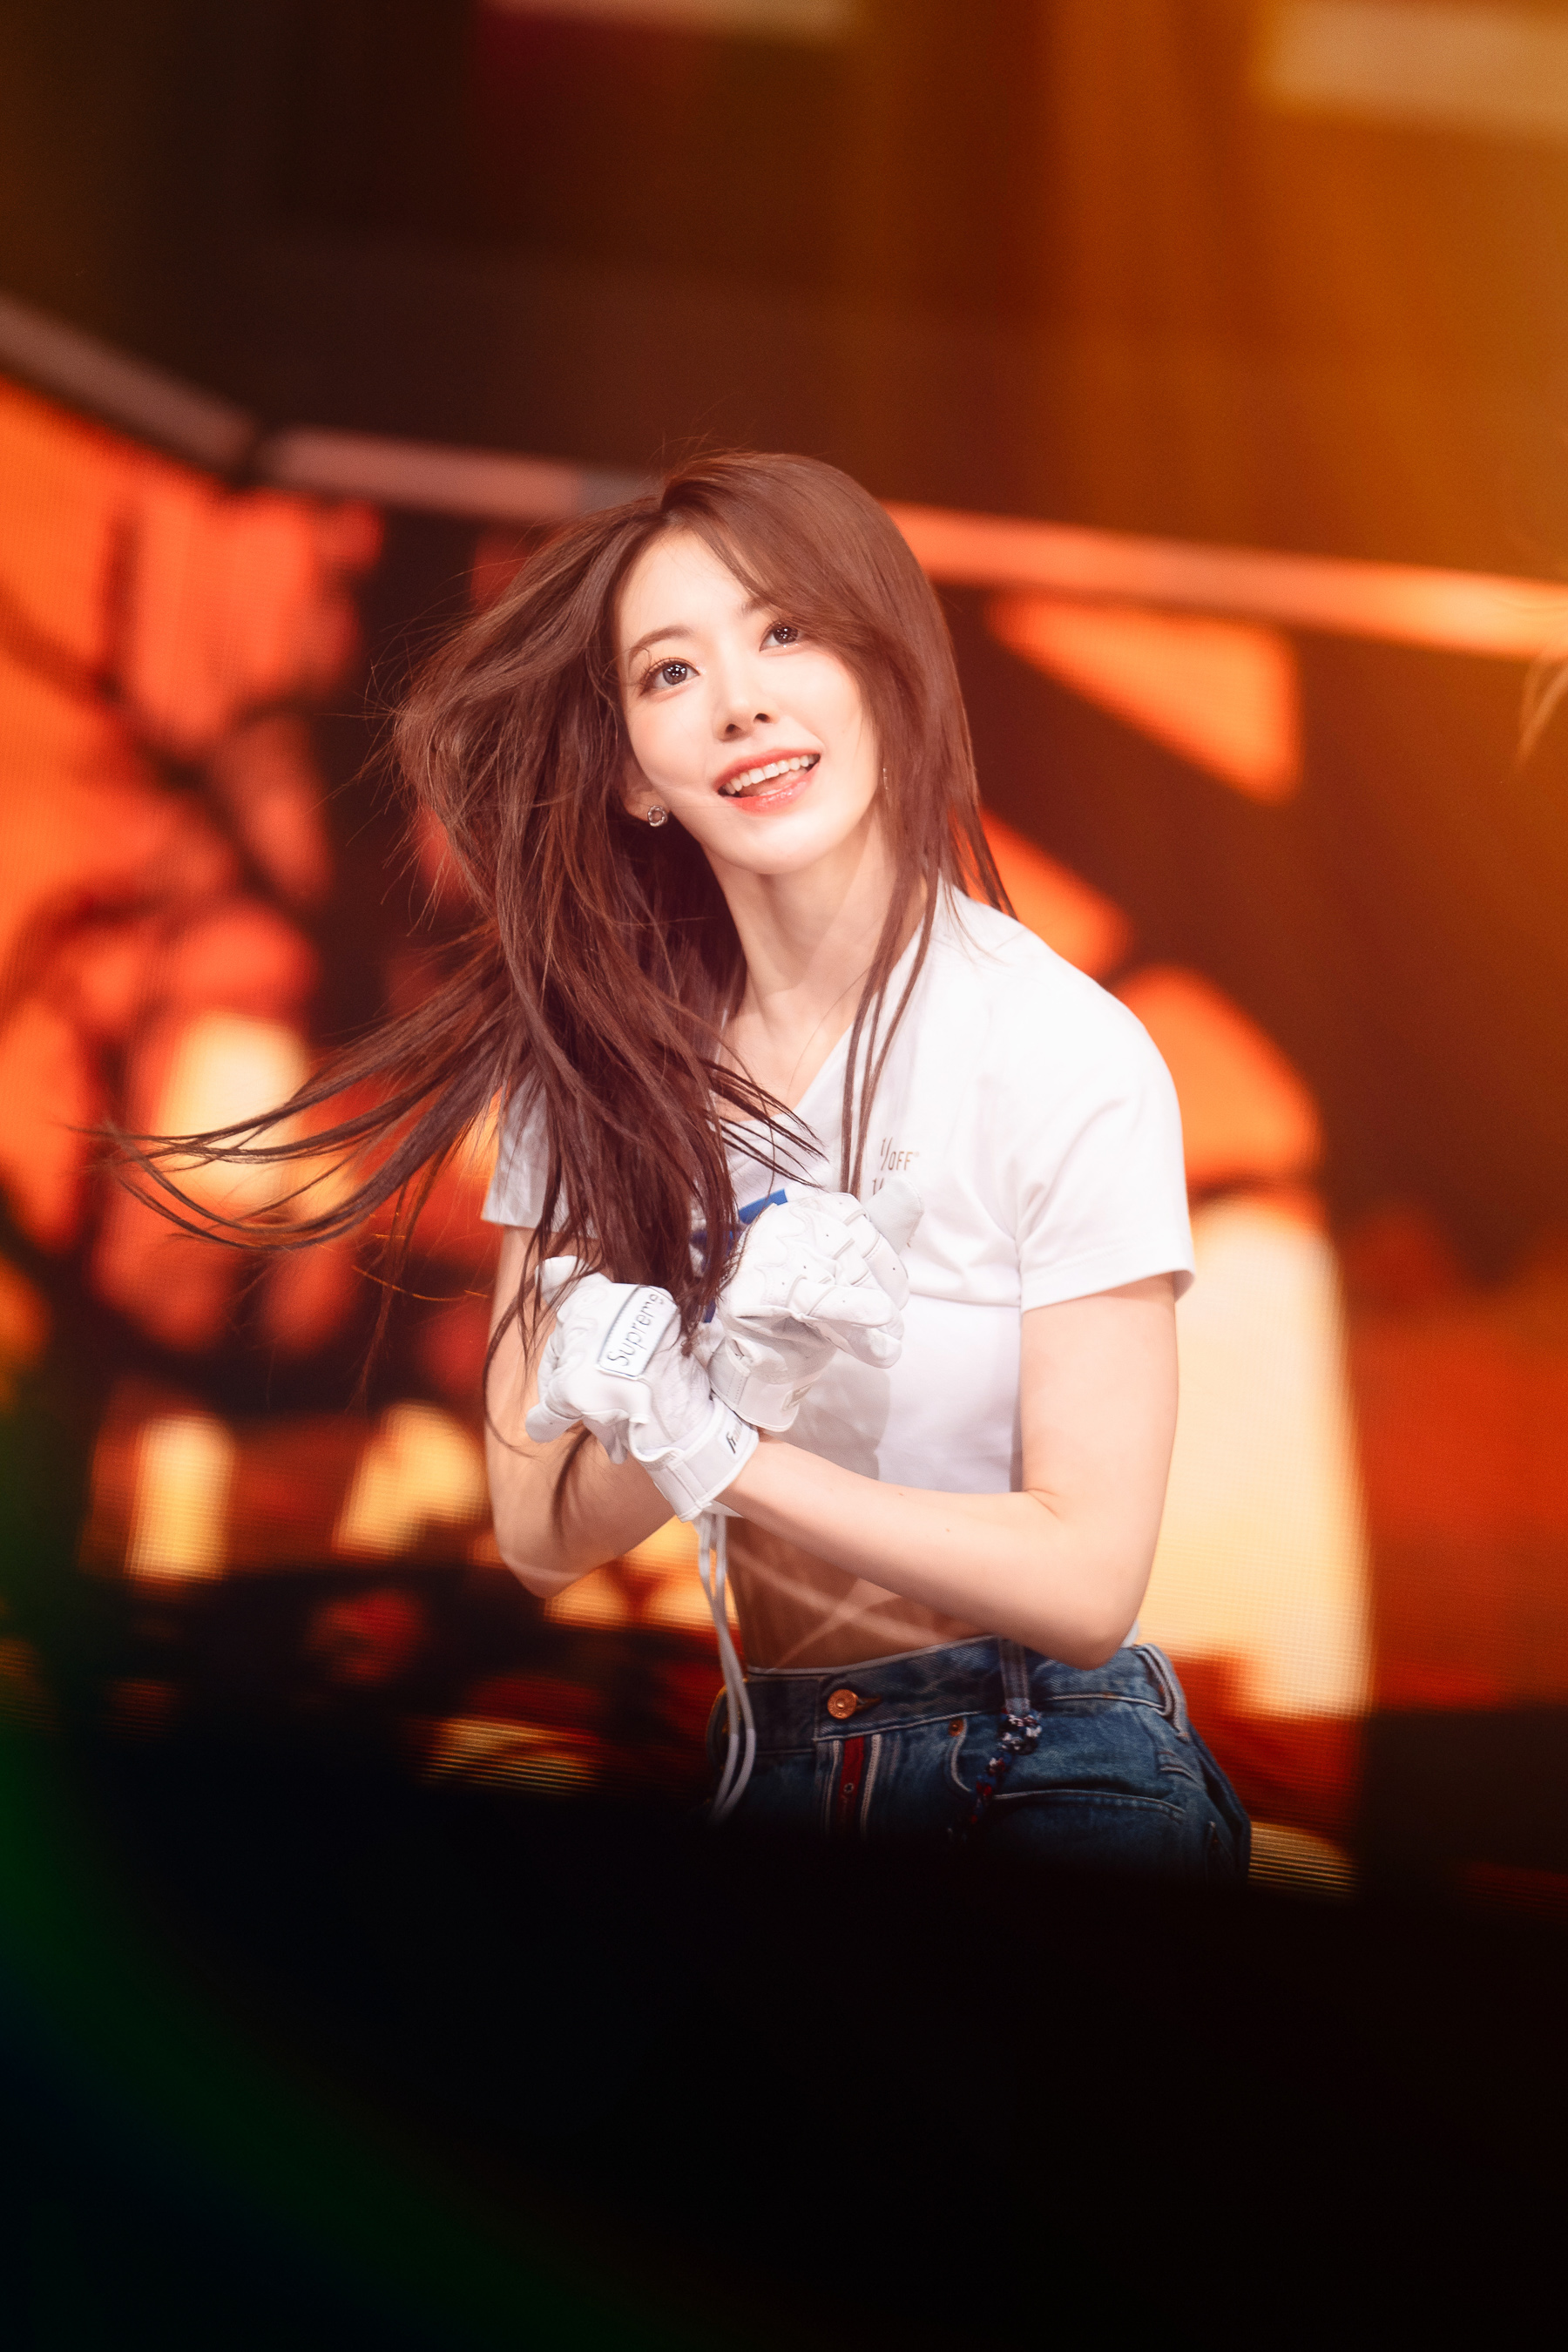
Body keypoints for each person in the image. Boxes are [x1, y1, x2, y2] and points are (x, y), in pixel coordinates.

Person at [139, 450, 1247, 1879]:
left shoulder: (1063, 1050)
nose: (740, 701)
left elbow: (1088, 1584)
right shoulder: (595, 1077)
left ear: (888, 673)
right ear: (633, 774)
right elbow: (540, 1530)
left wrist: (726, 1451)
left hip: (1047, 1766)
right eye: (670, 671)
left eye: (787, 632)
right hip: (768, 1760)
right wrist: (704, 1395)